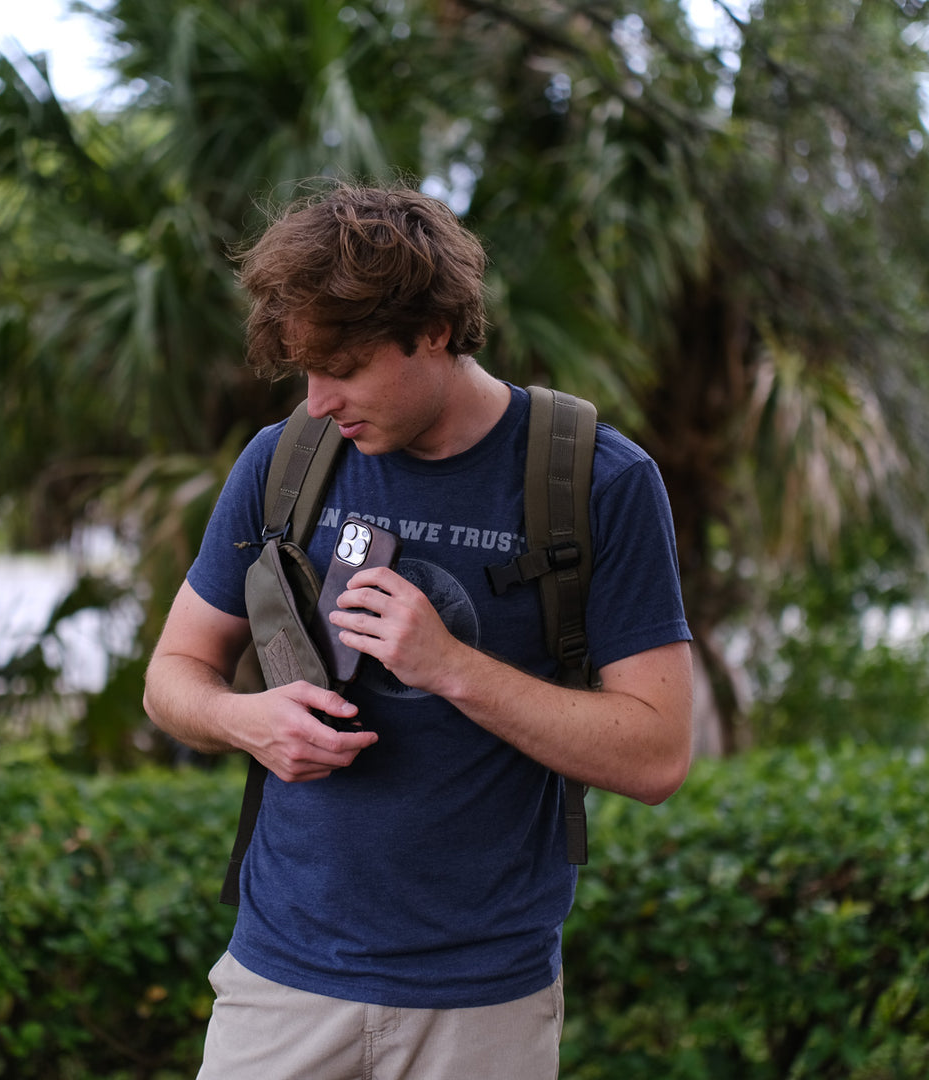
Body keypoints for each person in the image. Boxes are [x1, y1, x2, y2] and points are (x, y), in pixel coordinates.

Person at [142, 182, 694, 1080]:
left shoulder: (599, 482)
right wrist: (249, 721)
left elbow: (657, 754)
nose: (318, 401)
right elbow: (173, 673)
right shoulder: (282, 464)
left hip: (485, 1006)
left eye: (345, 368)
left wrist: (450, 666)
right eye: (304, 371)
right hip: (280, 986)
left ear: (434, 330)